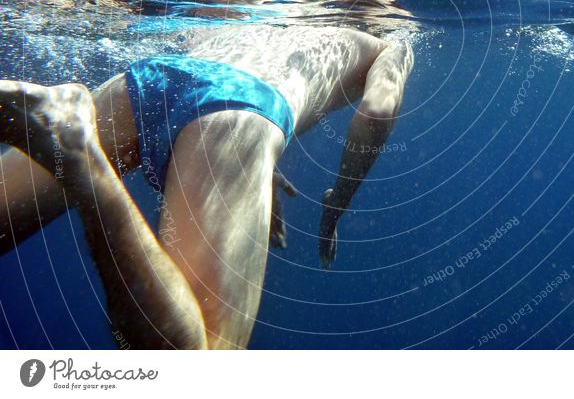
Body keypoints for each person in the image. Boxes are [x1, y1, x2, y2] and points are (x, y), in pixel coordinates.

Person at [0, 24, 414, 349]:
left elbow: (235, 70)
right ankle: (79, 156)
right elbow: (377, 110)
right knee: (201, 360)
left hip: (154, 79)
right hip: (238, 109)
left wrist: (251, 168)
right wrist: (336, 204)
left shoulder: (258, 15)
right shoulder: (388, 42)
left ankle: (62, 121)